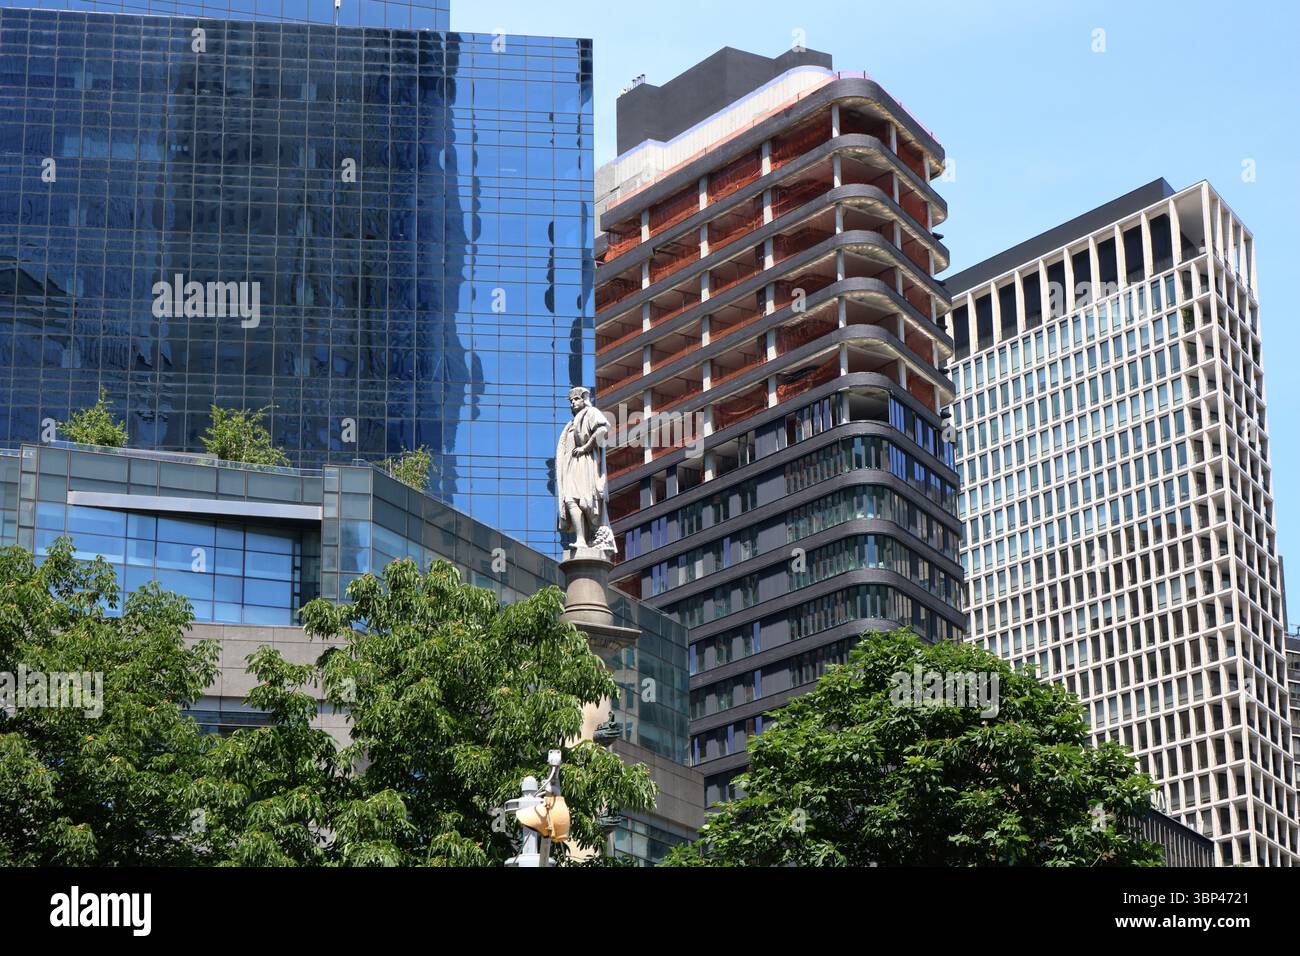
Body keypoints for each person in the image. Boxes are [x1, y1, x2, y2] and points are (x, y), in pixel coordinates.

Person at [556, 386, 616, 554]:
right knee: (570, 499)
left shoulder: (591, 412)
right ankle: (580, 539)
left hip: (586, 464)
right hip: (572, 467)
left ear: (584, 399)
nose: (573, 403)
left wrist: (586, 447)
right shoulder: (570, 424)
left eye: (576, 399)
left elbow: (604, 428)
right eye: (571, 401)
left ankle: (593, 536)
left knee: (585, 501)